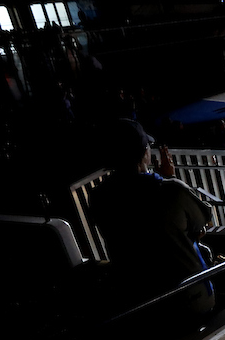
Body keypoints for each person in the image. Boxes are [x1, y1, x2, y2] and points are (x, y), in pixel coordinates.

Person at [92, 125, 214, 315]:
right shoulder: (170, 190)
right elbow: (203, 222)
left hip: (138, 302)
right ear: (144, 154)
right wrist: (170, 178)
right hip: (187, 301)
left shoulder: (99, 197)